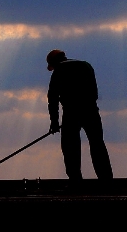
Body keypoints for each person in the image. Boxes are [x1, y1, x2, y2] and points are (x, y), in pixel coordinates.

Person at [46, 50, 113, 181]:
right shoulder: (86, 65)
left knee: (70, 147)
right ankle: (106, 180)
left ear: (54, 62)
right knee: (97, 145)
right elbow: (94, 91)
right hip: (91, 111)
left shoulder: (59, 70)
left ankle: (75, 181)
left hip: (71, 113)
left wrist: (54, 122)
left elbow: (52, 99)